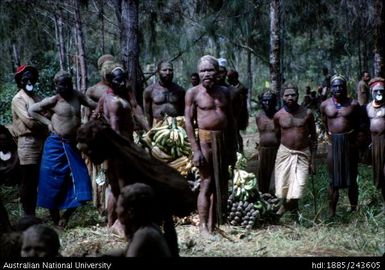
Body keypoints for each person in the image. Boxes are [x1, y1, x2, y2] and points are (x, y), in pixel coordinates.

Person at [77, 119, 196, 257]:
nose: (87, 155)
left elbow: (127, 196)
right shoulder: (116, 159)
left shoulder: (121, 163)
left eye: (88, 150)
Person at [28, 71, 96, 228]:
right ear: (56, 86)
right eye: (62, 84)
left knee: (82, 179)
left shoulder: (77, 96)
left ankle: (66, 215)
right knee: (52, 183)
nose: (66, 87)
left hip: (72, 145)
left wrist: (102, 106)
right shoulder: (53, 100)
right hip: (55, 146)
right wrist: (47, 122)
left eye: (68, 83)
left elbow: (92, 104)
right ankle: (56, 221)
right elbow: (32, 110)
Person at [185, 55, 236, 235]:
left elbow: (231, 119)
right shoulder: (193, 93)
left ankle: (213, 224)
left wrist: (233, 147)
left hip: (223, 140)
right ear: (198, 73)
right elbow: (189, 122)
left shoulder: (225, 92)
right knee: (206, 183)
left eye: (210, 70)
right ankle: (203, 227)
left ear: (217, 72)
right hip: (205, 141)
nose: (206, 74)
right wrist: (195, 149)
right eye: (203, 71)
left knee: (219, 184)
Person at [274, 83, 317, 218]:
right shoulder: (278, 116)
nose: (290, 97)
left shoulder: (307, 113)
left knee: (299, 184)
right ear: (283, 97)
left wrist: (313, 161)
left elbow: (314, 137)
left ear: (298, 96)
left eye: (293, 95)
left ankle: (281, 210)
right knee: (284, 185)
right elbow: (277, 137)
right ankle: (294, 214)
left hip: (303, 152)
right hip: (285, 152)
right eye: (287, 95)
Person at [320, 74, 361, 218]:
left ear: (345, 87)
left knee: (352, 178)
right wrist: (331, 137)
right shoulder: (325, 105)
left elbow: (359, 125)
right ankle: (332, 213)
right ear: (331, 88)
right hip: (333, 144)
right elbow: (324, 123)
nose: (338, 88)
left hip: (349, 144)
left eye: (341, 86)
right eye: (335, 86)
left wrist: (356, 143)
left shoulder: (354, 104)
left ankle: (354, 209)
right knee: (333, 180)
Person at [11, 65, 47, 216]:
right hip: (27, 143)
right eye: (25, 77)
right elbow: (30, 122)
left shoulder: (37, 97)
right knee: (29, 180)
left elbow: (47, 114)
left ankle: (35, 212)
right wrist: (45, 122)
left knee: (40, 178)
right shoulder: (18, 99)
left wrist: (44, 121)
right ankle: (28, 215)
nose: (29, 80)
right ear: (20, 81)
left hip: (41, 141)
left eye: (31, 77)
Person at [116, 183, 172, 257]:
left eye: (118, 206)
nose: (116, 210)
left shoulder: (143, 236)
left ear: (131, 212)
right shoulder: (150, 228)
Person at [143, 61, 185, 127]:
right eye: (164, 70)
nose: (168, 73)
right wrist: (149, 130)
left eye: (170, 70)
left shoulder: (180, 91)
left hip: (176, 126)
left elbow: (183, 112)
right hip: (157, 126)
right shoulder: (150, 90)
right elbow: (148, 113)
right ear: (158, 72)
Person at [366, 77, 385, 212]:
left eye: (381, 91)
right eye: (376, 91)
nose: (379, 93)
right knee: (380, 175)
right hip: (374, 143)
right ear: (371, 92)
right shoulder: (367, 107)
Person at [255, 90, 279, 194]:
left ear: (274, 102)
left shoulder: (279, 116)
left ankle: (275, 198)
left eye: (270, 100)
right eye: (265, 100)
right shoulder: (258, 117)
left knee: (275, 176)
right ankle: (264, 199)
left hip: (277, 150)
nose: (267, 103)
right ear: (261, 102)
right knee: (262, 176)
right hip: (263, 151)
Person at [227, 69, 249, 154]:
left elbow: (241, 104)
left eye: (229, 77)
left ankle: (240, 149)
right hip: (232, 113)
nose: (228, 79)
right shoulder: (229, 87)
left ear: (235, 78)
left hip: (239, 114)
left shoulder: (241, 88)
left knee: (236, 132)